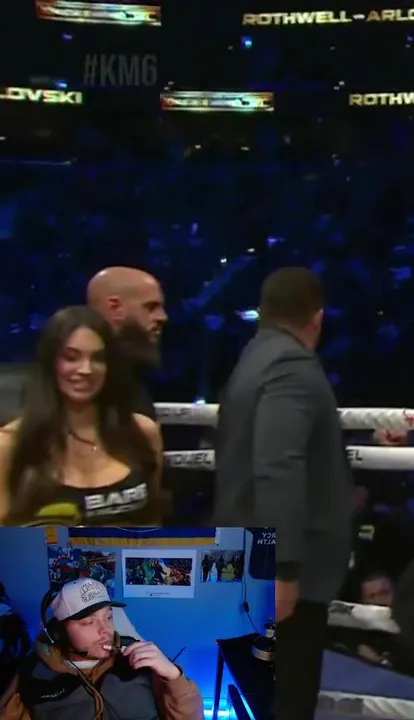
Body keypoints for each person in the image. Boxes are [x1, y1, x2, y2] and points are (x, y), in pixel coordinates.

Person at [211, 266, 353, 720]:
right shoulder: (291, 365)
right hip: (283, 571)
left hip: (250, 555)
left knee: (268, 700)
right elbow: (279, 464)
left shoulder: (254, 357)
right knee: (287, 702)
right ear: (318, 318)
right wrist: (284, 566)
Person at [0, 306, 164, 526]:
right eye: (71, 357)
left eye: (97, 358)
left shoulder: (142, 432)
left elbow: (154, 521)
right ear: (51, 363)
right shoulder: (10, 445)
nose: (86, 369)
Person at [0, 578, 202, 720]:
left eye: (108, 617)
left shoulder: (143, 661)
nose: (105, 630)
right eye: (89, 622)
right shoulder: (30, 675)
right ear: (59, 632)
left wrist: (174, 677)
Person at [84, 267, 169, 420]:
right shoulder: (86, 381)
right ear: (115, 307)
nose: (162, 317)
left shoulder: (129, 380)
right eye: (151, 307)